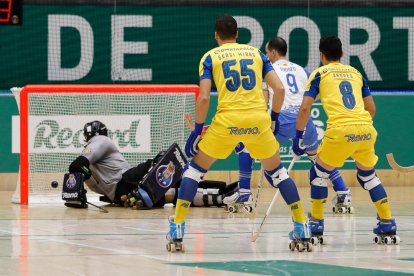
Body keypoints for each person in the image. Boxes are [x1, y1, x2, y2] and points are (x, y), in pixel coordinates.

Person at [166, 15, 312, 252]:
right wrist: (273, 118)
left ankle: (178, 227)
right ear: (237, 35)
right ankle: (301, 225)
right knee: (278, 173)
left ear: (216, 35)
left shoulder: (210, 57)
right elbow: (279, 88)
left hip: (227, 121)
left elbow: (203, 97)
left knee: (195, 169)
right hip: (257, 120)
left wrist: (196, 132)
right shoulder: (257, 54)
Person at [224, 37, 353, 214]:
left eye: (268, 52)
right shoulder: (301, 70)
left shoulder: (267, 69)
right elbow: (316, 94)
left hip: (280, 119)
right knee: (318, 158)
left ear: (274, 52)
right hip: (303, 119)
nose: (267, 56)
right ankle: (343, 192)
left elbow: (264, 101)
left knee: (247, 147)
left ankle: (245, 193)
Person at [293, 36, 398, 244]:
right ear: (342, 54)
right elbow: (372, 109)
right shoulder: (357, 73)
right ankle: (387, 223)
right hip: (366, 129)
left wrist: (298, 136)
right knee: (368, 177)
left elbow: (305, 108)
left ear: (321, 55)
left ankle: (316, 224)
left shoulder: (319, 73)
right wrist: (360, 127)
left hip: (340, 132)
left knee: (318, 174)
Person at [67, 120, 235, 209]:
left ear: (86, 136)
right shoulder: (101, 140)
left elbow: (78, 168)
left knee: (174, 195)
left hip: (119, 196)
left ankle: (222, 196)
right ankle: (219, 188)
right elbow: (77, 165)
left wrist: (78, 191)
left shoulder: (89, 167)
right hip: (125, 180)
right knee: (162, 160)